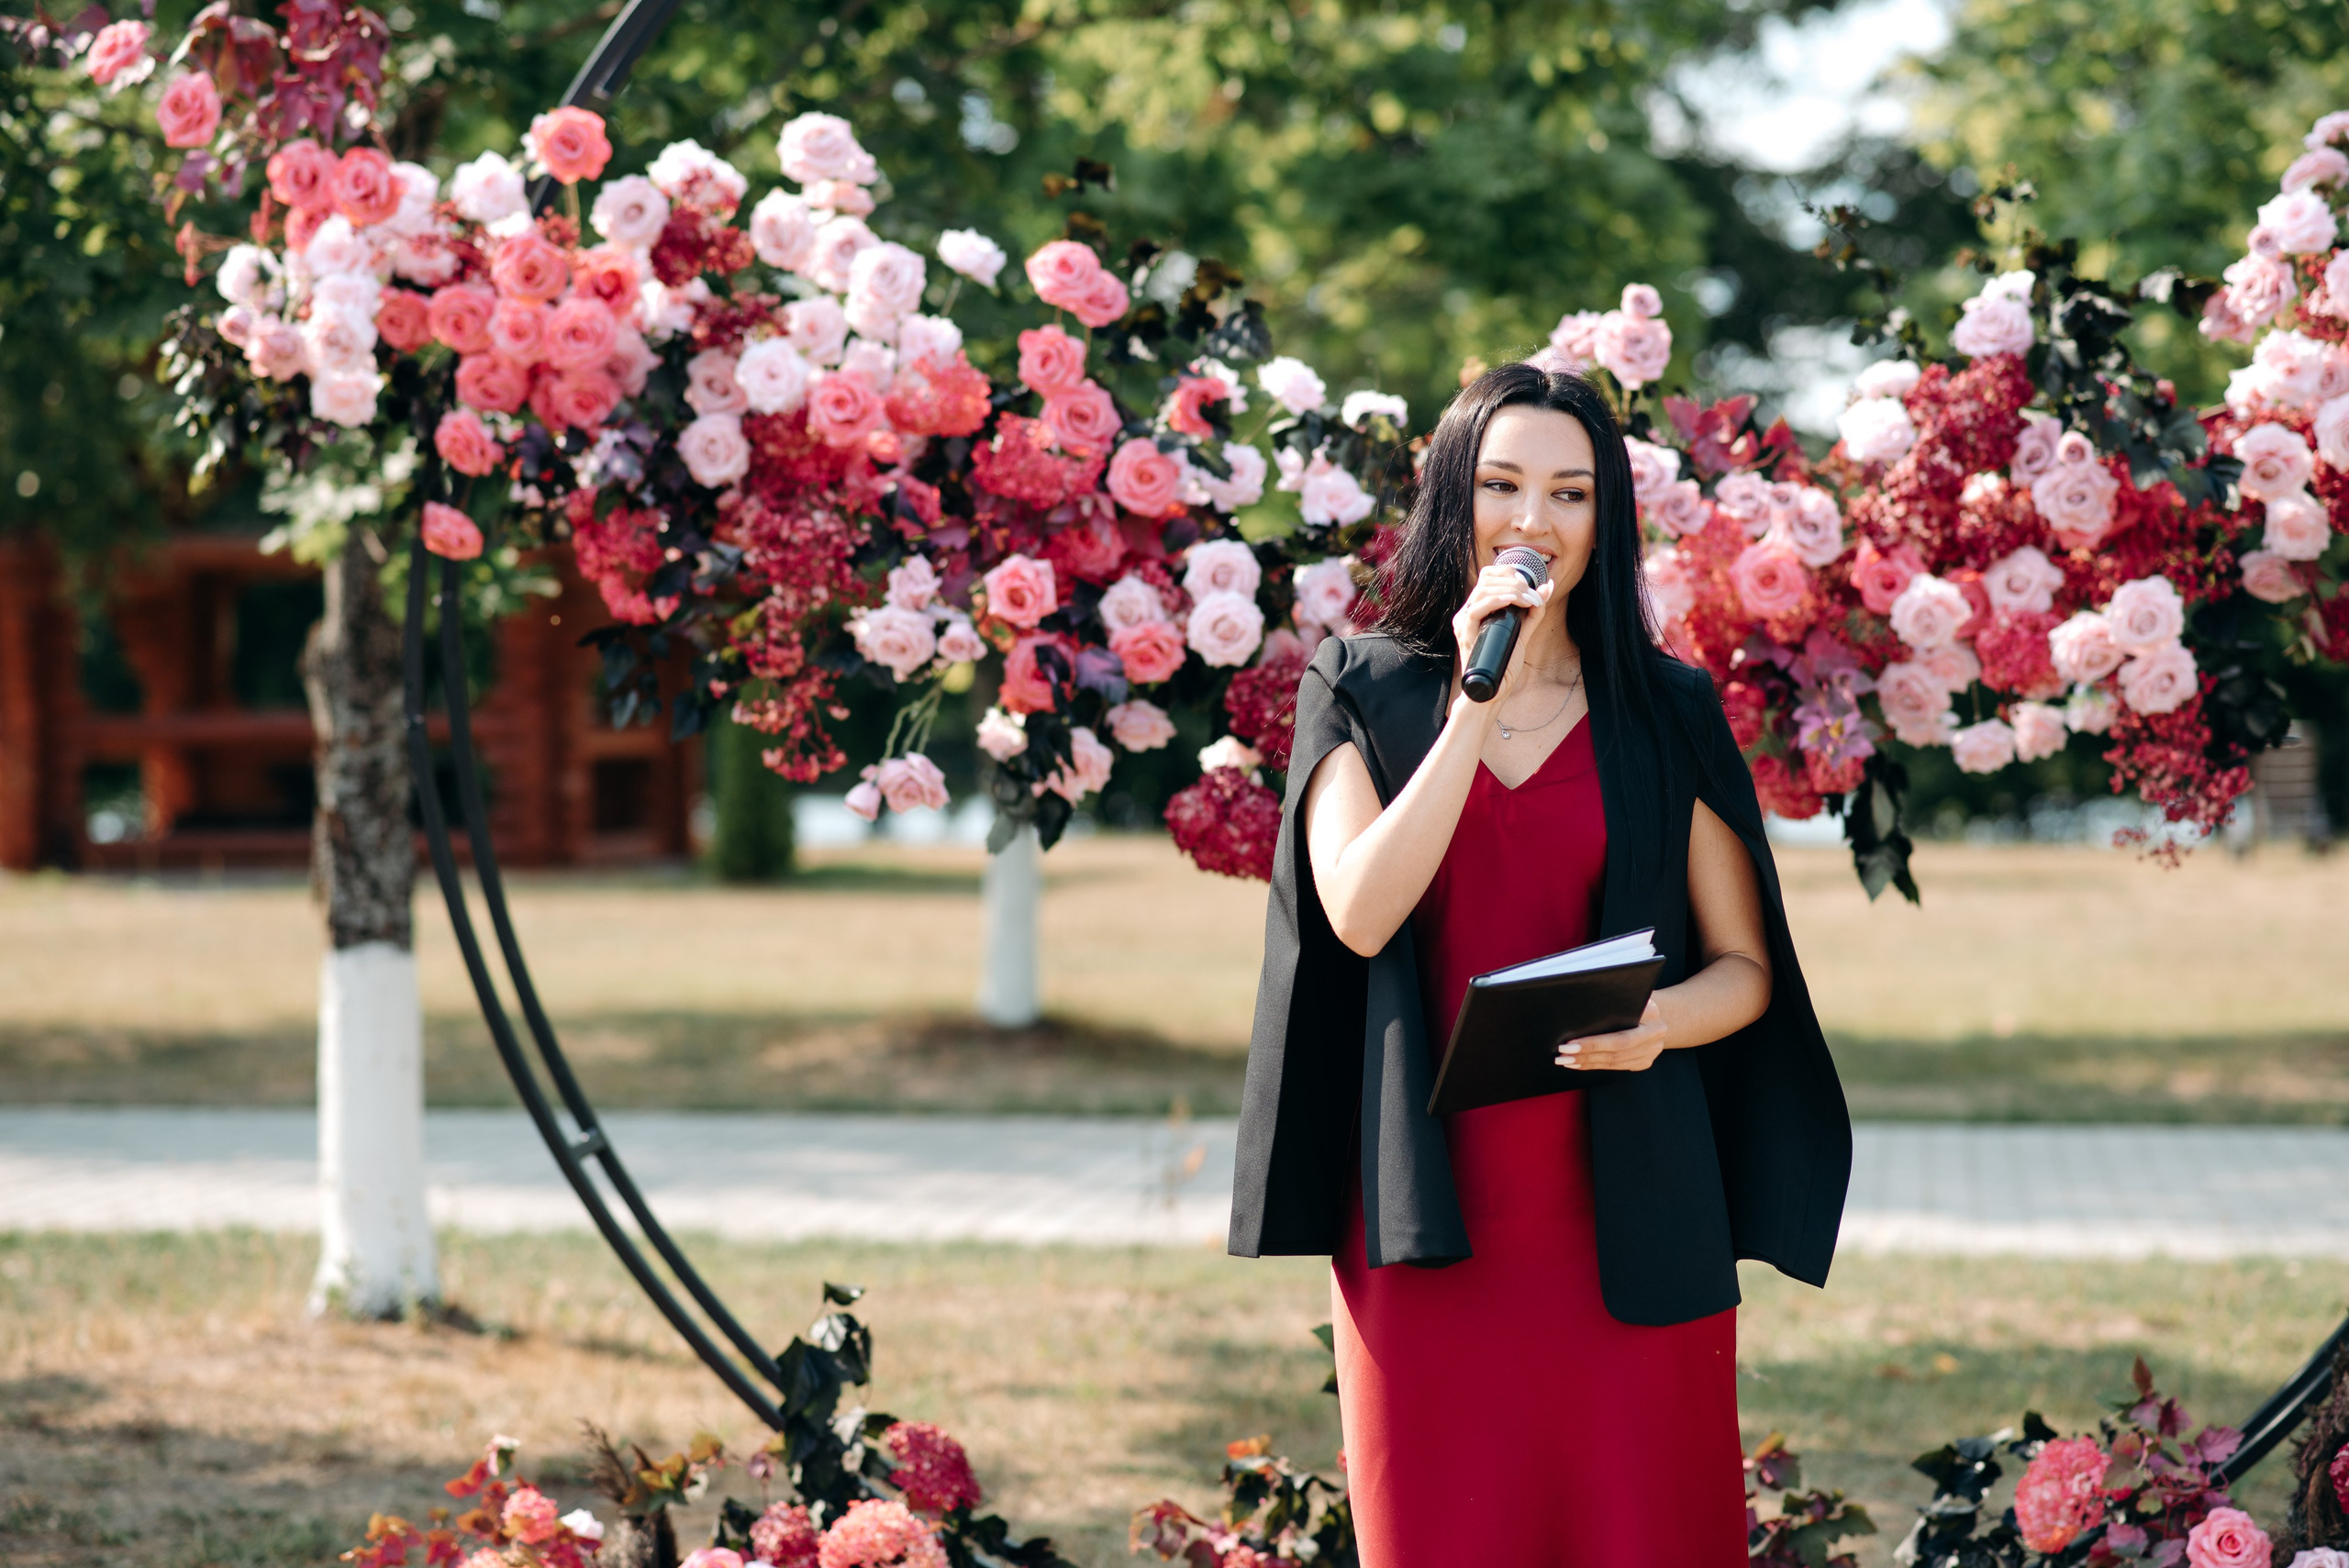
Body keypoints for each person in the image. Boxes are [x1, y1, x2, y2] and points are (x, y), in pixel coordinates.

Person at [1227, 362, 1851, 1564]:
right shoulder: (1356, 687)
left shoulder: (1667, 709)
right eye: (1503, 484)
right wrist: (1475, 700)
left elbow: (1746, 969)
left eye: (1570, 493)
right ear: (1450, 497)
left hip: (1631, 1217)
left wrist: (1661, 1021)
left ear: (1603, 519)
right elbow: (1357, 910)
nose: (1533, 520)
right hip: (1428, 1224)